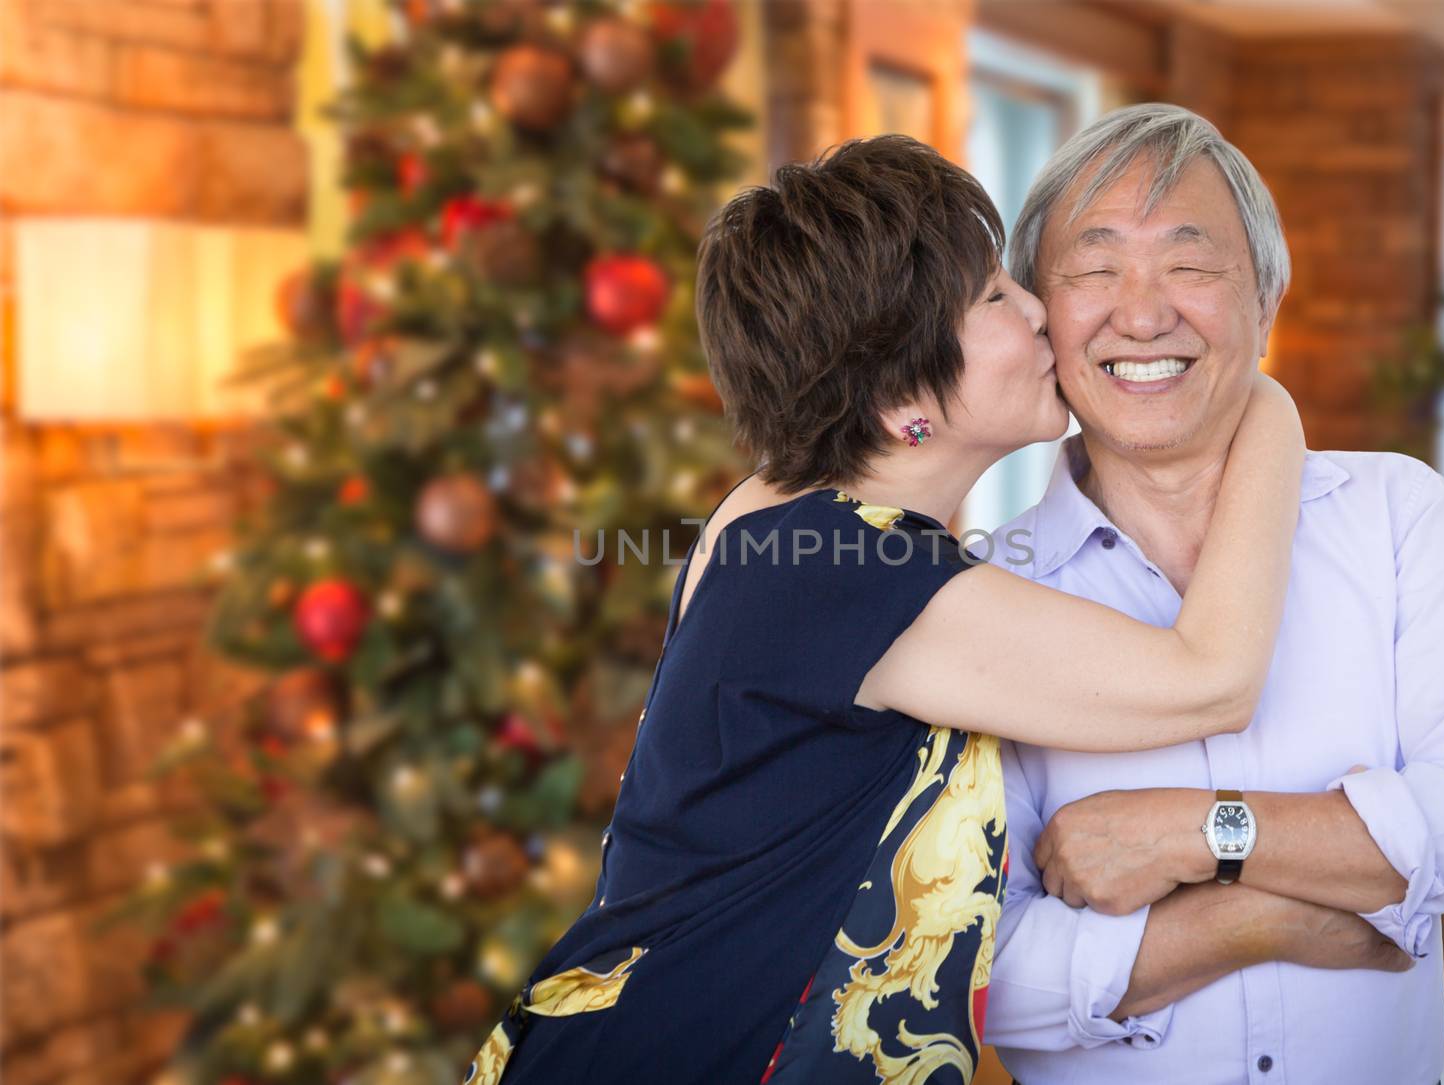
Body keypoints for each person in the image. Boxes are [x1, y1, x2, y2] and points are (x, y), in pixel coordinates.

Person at [463, 133, 1314, 1085]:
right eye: (995, 297)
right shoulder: (852, 575)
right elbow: (1212, 679)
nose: (1041, 311)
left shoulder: (777, 517)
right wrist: (1264, 403)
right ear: (903, 385)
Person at [984, 103, 1444, 1085]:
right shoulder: (989, 595)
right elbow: (983, 971)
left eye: (1189, 262)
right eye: (1093, 267)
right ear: (1041, 319)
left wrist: (1196, 829)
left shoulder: (1395, 516)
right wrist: (1258, 914)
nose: (1143, 310)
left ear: (1266, 300)